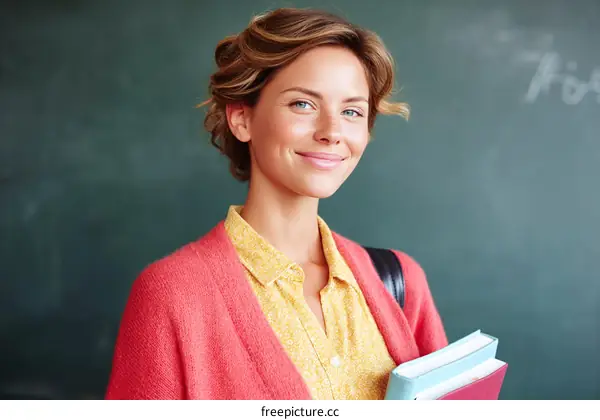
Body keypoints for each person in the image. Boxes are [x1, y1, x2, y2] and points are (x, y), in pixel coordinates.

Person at [105, 7, 447, 400]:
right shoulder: (171, 294)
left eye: (351, 111)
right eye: (303, 104)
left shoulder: (401, 283)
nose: (332, 132)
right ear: (241, 119)